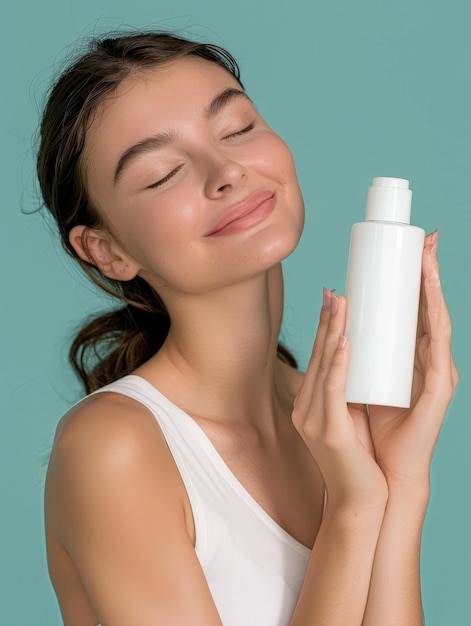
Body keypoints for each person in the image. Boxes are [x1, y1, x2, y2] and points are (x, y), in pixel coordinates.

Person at [38, 31, 458, 626]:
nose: (226, 170)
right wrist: (354, 510)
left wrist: (403, 480)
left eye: (236, 128)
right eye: (162, 174)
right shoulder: (114, 451)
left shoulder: (338, 419)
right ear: (106, 251)